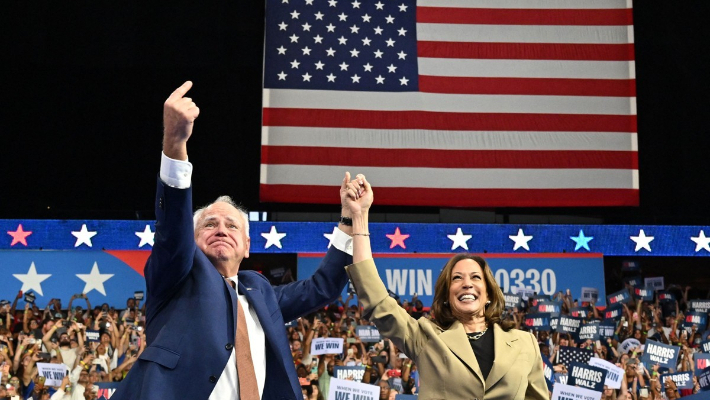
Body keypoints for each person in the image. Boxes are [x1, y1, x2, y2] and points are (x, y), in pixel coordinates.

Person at [112, 81, 352, 400]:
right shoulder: (176, 275)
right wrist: (174, 144)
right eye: (210, 224)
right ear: (192, 240)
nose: (222, 229)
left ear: (248, 246)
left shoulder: (260, 291)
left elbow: (323, 287)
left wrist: (350, 219)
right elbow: (172, 229)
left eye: (232, 225)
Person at [342, 175, 547, 400]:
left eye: (476, 277)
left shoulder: (525, 344)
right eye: (457, 278)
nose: (467, 283)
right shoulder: (426, 337)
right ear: (447, 296)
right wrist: (359, 217)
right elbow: (377, 300)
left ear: (488, 293)